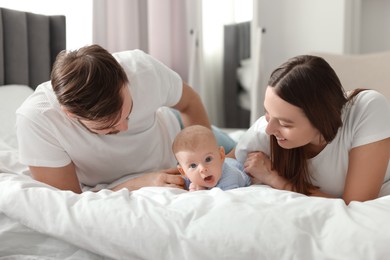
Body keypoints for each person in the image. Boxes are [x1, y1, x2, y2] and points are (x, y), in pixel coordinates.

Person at [16, 44, 214, 193]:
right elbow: (70, 203)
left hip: (181, 137)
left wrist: (204, 157)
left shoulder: (142, 69)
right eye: (110, 128)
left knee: (241, 154)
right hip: (143, 179)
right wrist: (137, 184)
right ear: (71, 115)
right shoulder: (38, 121)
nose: (125, 127)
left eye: (128, 113)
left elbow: (190, 102)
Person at [234, 55, 390, 204]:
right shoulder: (266, 131)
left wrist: (274, 178)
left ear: (320, 119)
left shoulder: (367, 109)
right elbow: (224, 164)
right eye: (267, 112)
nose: (269, 129)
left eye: (285, 123)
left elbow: (355, 205)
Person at [172, 125, 251, 191]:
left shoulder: (230, 177)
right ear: (183, 172)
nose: (203, 168)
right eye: (193, 165)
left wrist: (202, 191)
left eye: (208, 159)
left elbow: (222, 199)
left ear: (221, 155)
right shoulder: (190, 178)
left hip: (236, 166)